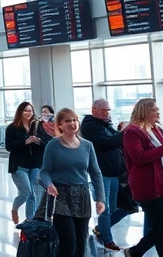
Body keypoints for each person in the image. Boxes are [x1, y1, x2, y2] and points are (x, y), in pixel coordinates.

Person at [38, 108, 105, 257]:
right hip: (61, 195)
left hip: (82, 195)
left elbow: (95, 173)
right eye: (67, 121)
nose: (72, 123)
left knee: (81, 242)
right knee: (68, 242)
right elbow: (44, 171)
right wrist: (49, 184)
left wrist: (100, 199)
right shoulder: (53, 145)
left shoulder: (87, 145)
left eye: (74, 120)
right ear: (60, 125)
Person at [122, 98, 163, 257]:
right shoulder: (132, 132)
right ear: (145, 111)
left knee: (160, 226)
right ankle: (135, 251)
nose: (158, 112)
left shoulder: (156, 129)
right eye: (155, 109)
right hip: (146, 185)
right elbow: (138, 157)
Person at [81, 99, 129, 252]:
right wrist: (124, 133)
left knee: (117, 207)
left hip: (114, 173)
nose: (106, 113)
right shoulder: (90, 127)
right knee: (105, 208)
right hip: (102, 174)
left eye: (108, 110)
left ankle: (101, 229)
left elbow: (116, 140)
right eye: (103, 110)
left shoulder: (105, 125)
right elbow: (106, 144)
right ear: (94, 110)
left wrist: (122, 133)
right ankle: (107, 239)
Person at [5, 101, 49, 224]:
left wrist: (38, 141)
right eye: (26, 110)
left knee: (34, 194)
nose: (29, 113)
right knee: (26, 192)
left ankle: (30, 220)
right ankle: (15, 208)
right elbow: (9, 146)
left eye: (30, 110)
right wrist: (25, 142)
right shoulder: (12, 128)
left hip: (35, 164)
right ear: (20, 112)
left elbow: (46, 142)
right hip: (19, 165)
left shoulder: (38, 127)